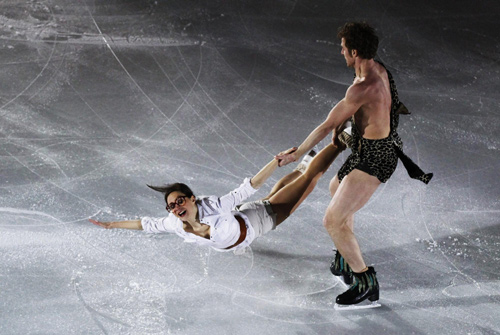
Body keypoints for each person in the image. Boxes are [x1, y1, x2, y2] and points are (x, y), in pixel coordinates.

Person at [275, 22, 433, 308]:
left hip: (375, 159)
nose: (341, 52)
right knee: (337, 190)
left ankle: (365, 282)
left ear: (355, 51)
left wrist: (296, 155)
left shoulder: (362, 87)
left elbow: (327, 125)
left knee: (331, 220)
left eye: (343, 48)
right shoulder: (379, 70)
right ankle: (345, 261)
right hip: (369, 151)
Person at [90, 143, 346, 253]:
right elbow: (144, 224)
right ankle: (304, 165)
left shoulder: (213, 205)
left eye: (180, 200)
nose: (176, 207)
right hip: (246, 217)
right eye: (171, 206)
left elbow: (250, 186)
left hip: (257, 221)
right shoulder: (172, 224)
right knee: (275, 196)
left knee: (308, 183)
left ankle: (340, 140)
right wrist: (111, 225)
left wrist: (275, 162)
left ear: (191, 199)